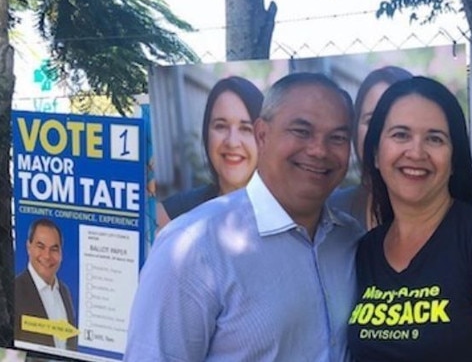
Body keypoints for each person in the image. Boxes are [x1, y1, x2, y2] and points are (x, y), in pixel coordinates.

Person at [125, 72, 364, 361]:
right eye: (301, 131)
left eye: (337, 137)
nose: (319, 150)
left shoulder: (351, 239)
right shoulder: (194, 247)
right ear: (262, 134)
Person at [347, 77, 472, 361]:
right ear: (375, 153)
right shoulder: (364, 251)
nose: (416, 152)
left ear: (453, 161)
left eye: (435, 139)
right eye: (400, 135)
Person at [156, 76, 264, 230]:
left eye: (246, 128)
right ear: (207, 134)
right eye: (221, 126)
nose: (232, 142)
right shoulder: (181, 211)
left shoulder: (289, 211)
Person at [329, 66, 412, 230]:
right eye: (371, 121)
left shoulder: (460, 216)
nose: (381, 134)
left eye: (398, 126)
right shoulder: (330, 212)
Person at [15, 218, 77, 351]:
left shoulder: (65, 291)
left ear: (61, 253)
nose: (47, 256)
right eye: (40, 246)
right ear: (28, 247)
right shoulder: (14, 291)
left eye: (54, 249)